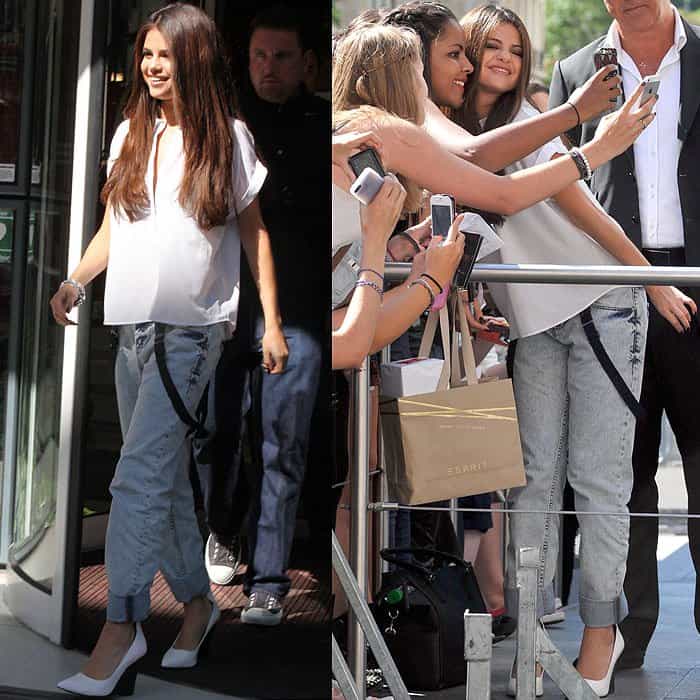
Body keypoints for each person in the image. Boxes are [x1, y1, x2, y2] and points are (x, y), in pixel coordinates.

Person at [49, 4, 287, 695]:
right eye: (147, 53)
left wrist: (270, 322)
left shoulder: (230, 139)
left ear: (197, 59)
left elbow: (255, 236)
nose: (153, 65)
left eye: (165, 54)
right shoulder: (131, 131)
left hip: (192, 335)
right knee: (161, 478)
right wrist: (75, 279)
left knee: (134, 480)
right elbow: (113, 228)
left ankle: (120, 630)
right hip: (131, 329)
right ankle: (198, 603)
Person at [459, 4, 694, 695]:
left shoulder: (537, 123)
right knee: (535, 481)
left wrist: (649, 285)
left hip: (610, 297)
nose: (501, 58)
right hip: (536, 319)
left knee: (598, 478)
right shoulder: (455, 130)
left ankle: (600, 630)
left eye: (512, 46)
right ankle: (542, 632)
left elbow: (579, 207)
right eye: (485, 47)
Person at [549, 0, 700, 671]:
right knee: (619, 474)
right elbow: (561, 188)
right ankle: (621, 637)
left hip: (698, 286)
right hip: (611, 292)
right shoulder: (576, 71)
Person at [195, 4, 327, 627]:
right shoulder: (224, 126)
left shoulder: (325, 128)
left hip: (299, 308)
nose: (267, 68)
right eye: (257, 56)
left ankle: (268, 581)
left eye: (279, 57)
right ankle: (224, 528)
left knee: (284, 445)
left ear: (306, 63)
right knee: (218, 433)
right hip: (224, 306)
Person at [381, 0, 622, 175]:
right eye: (492, 46)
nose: (505, 57)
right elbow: (486, 171)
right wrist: (576, 114)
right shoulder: (426, 111)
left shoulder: (522, 120)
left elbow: (584, 211)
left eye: (517, 52)